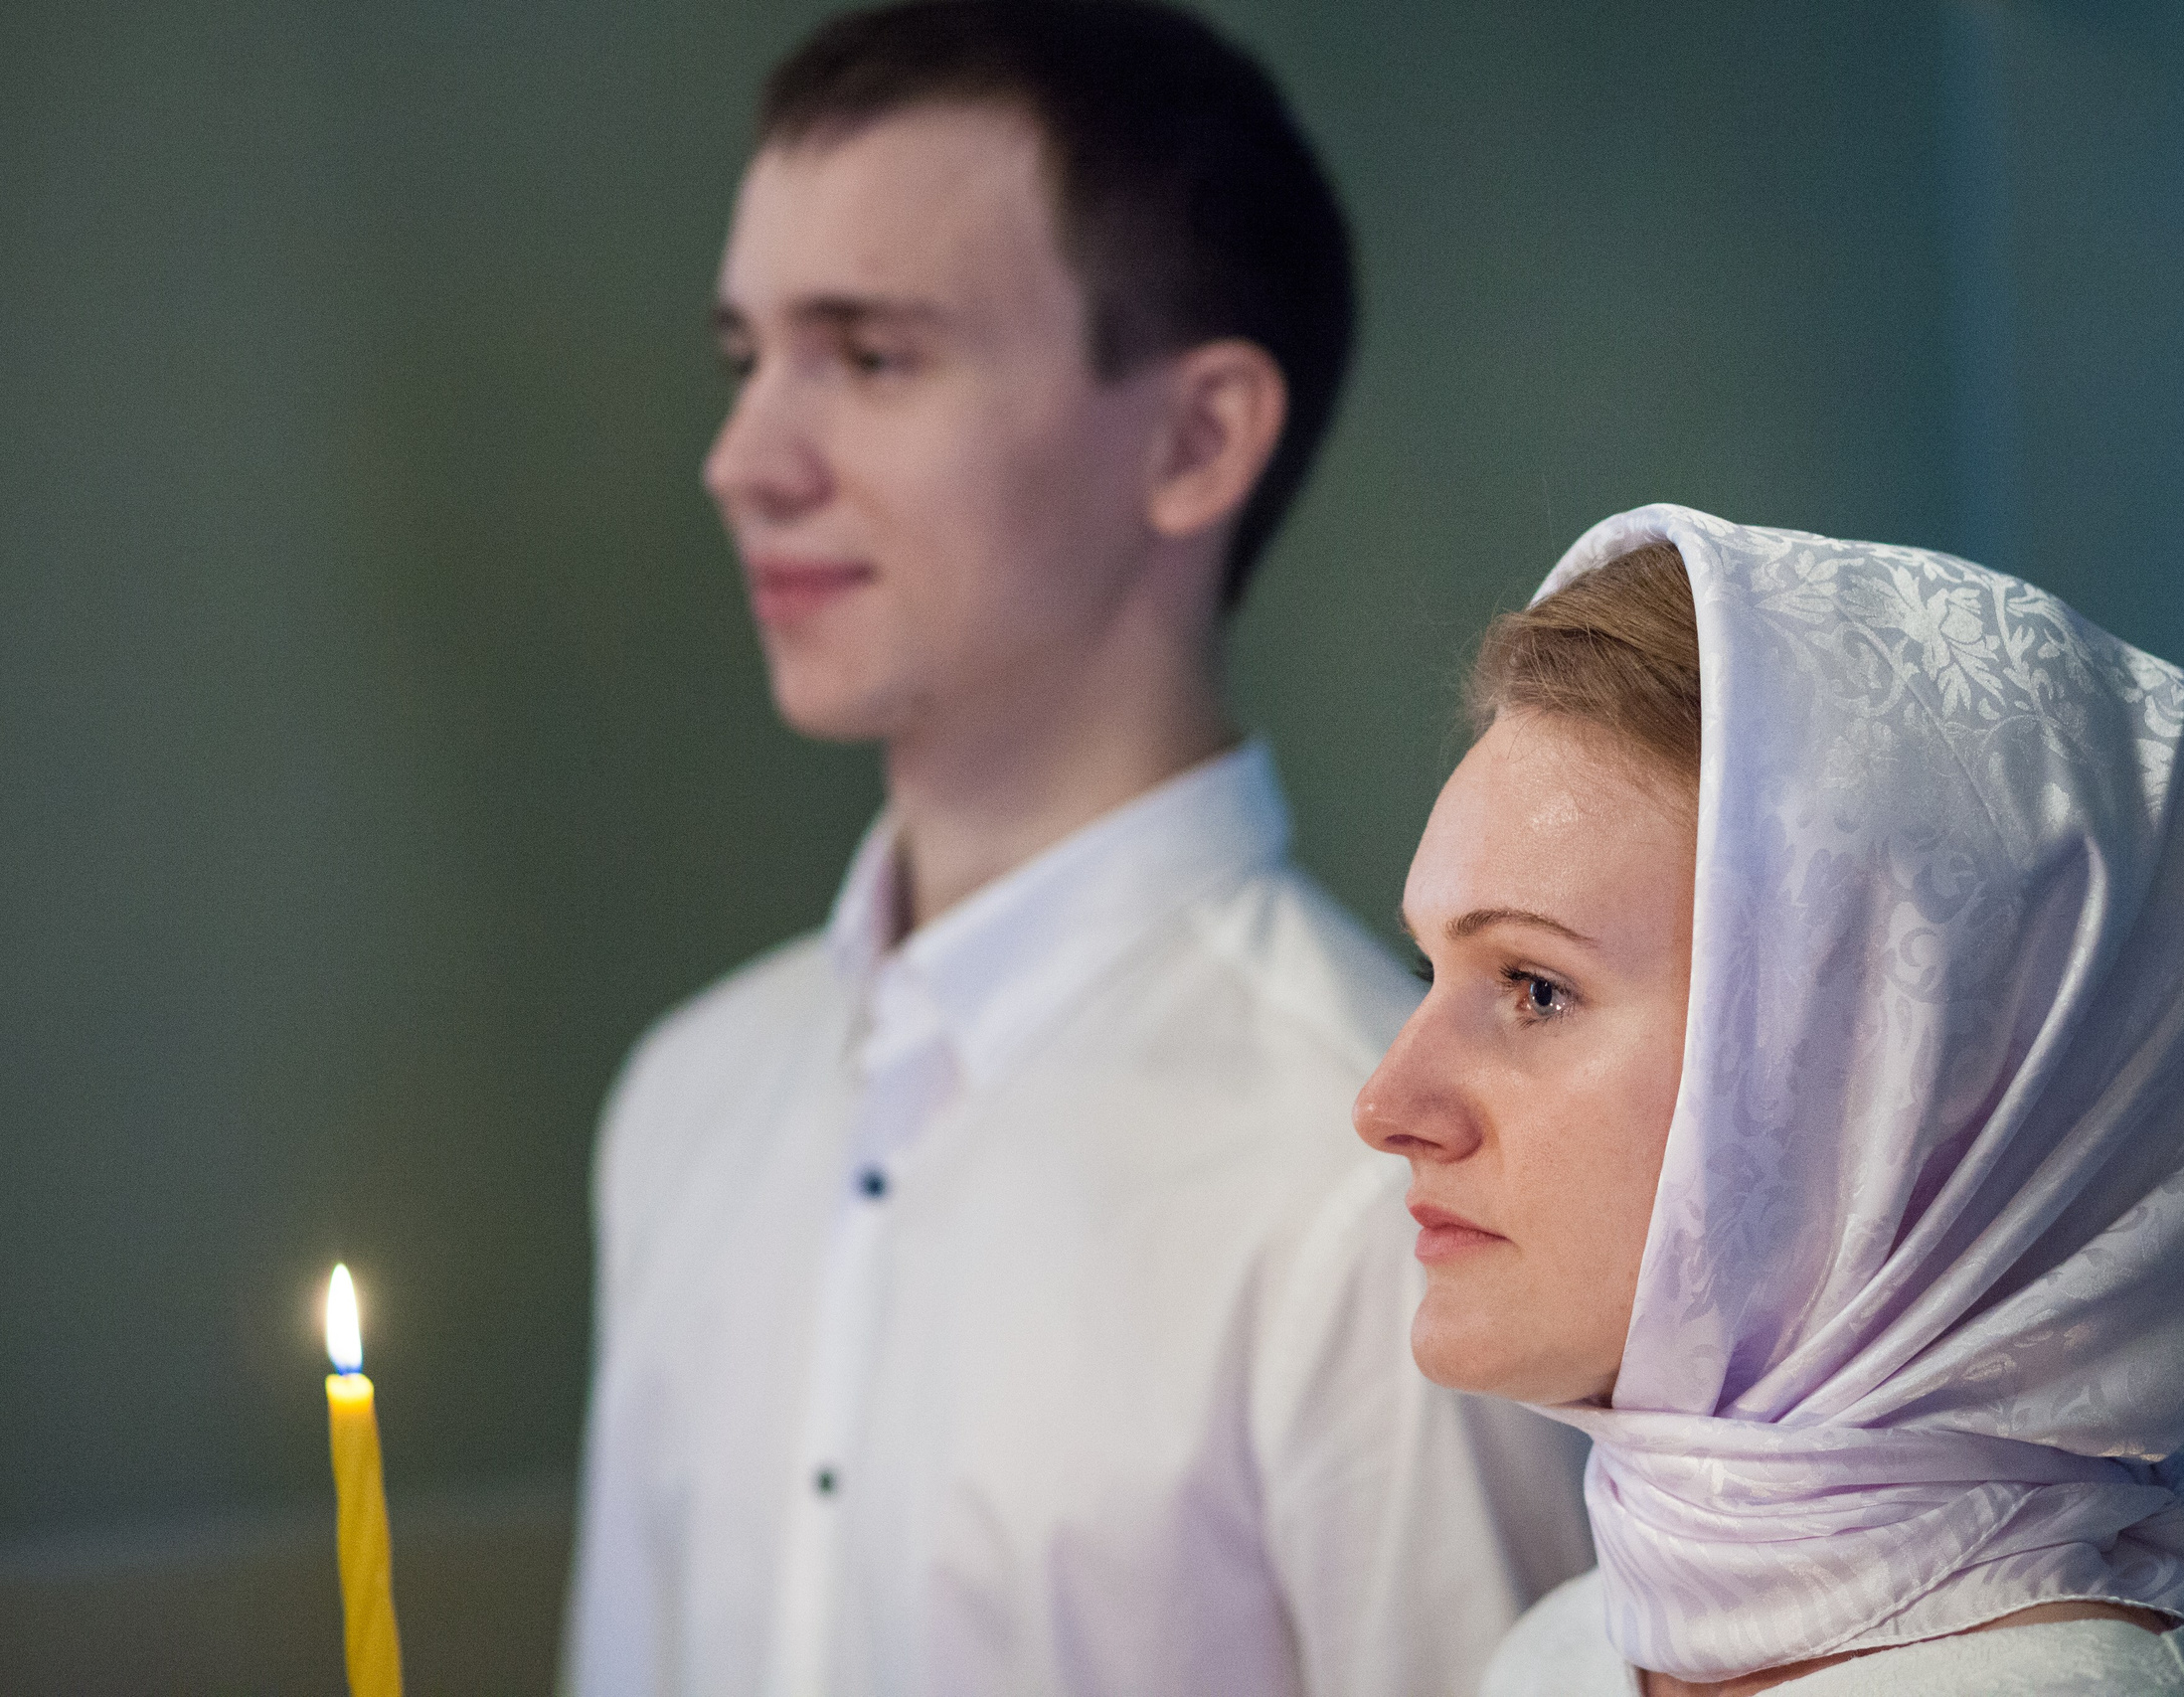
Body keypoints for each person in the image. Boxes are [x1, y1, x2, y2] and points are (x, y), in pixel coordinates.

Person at [563, 4, 1591, 1693]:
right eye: (747, 358)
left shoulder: (1382, 1195)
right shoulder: (685, 1103)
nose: (742, 462)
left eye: (871, 357)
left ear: (1195, 439)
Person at [1356, 503, 2184, 1696]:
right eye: (1429, 971)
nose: (1386, 1104)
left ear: (1895, 1080)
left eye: (1535, 987)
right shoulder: (1561, 1655)